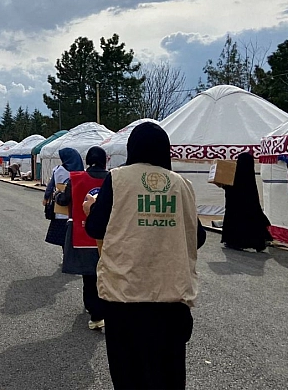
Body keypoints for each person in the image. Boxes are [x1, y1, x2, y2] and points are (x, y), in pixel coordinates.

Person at [83, 122, 207, 390]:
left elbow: (95, 228)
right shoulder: (182, 184)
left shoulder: (116, 179)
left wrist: (92, 208)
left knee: (129, 375)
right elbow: (198, 237)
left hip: (125, 298)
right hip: (171, 299)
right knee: (168, 376)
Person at [56, 146, 108, 330]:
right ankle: (104, 309)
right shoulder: (114, 179)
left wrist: (56, 194)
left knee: (89, 274)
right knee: (108, 273)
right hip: (110, 234)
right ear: (106, 160)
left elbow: (63, 200)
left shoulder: (76, 179)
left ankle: (95, 313)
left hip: (83, 232)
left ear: (87, 161)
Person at [221, 152, 272, 252]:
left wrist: (225, 186)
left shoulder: (236, 175)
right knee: (252, 220)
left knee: (237, 222)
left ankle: (235, 241)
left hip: (235, 207)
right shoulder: (250, 177)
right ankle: (258, 242)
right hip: (250, 205)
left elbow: (231, 190)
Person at [44, 148, 83, 250]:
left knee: (62, 236)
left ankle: (65, 254)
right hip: (77, 207)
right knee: (75, 234)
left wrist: (46, 198)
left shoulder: (58, 170)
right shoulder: (81, 172)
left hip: (60, 207)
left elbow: (51, 185)